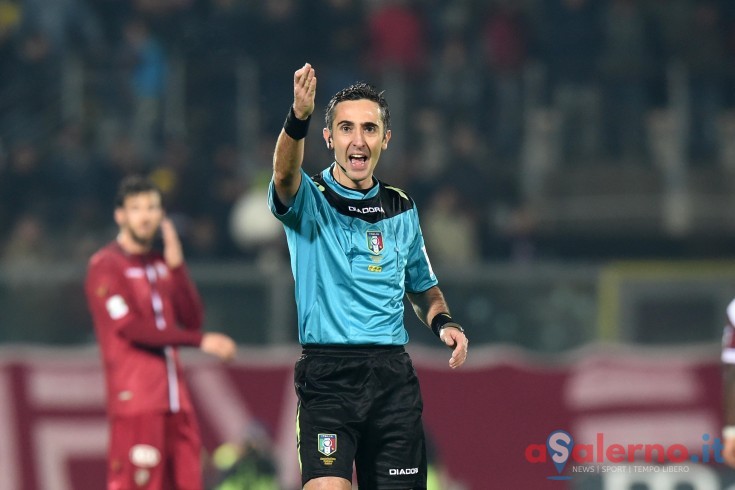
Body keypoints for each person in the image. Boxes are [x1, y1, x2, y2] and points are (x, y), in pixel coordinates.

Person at [268, 63, 469, 489]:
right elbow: (284, 175)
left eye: (369, 129)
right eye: (345, 128)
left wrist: (444, 322)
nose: (357, 140)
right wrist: (298, 116)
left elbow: (422, 284)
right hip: (328, 378)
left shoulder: (401, 208)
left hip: (391, 378)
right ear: (328, 138)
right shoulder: (310, 199)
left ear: (385, 139)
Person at [84, 175, 237, 490]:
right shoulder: (106, 265)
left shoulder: (160, 264)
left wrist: (178, 267)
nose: (145, 215)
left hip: (175, 402)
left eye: (152, 207)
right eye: (136, 207)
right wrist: (200, 341)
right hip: (137, 402)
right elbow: (131, 328)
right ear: (120, 215)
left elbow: (192, 318)